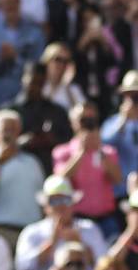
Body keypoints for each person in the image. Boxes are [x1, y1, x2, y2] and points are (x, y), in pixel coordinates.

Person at [14, 175, 108, 270]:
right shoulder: (32, 232)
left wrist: (81, 245)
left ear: (73, 204)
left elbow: (105, 267)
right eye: (54, 201)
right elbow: (22, 267)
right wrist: (51, 243)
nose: (60, 206)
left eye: (65, 200)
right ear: (45, 207)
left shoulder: (89, 229)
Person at [51, 102, 122, 240]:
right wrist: (81, 152)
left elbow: (117, 179)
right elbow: (60, 180)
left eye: (92, 120)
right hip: (78, 219)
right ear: (73, 123)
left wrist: (99, 150)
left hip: (105, 219)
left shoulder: (108, 152)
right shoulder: (62, 151)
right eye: (83, 120)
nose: (88, 124)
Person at [0, 109, 45, 238]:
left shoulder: (32, 162)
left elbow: (42, 198)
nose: (9, 134)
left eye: (13, 129)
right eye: (5, 130)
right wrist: (0, 162)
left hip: (30, 232)